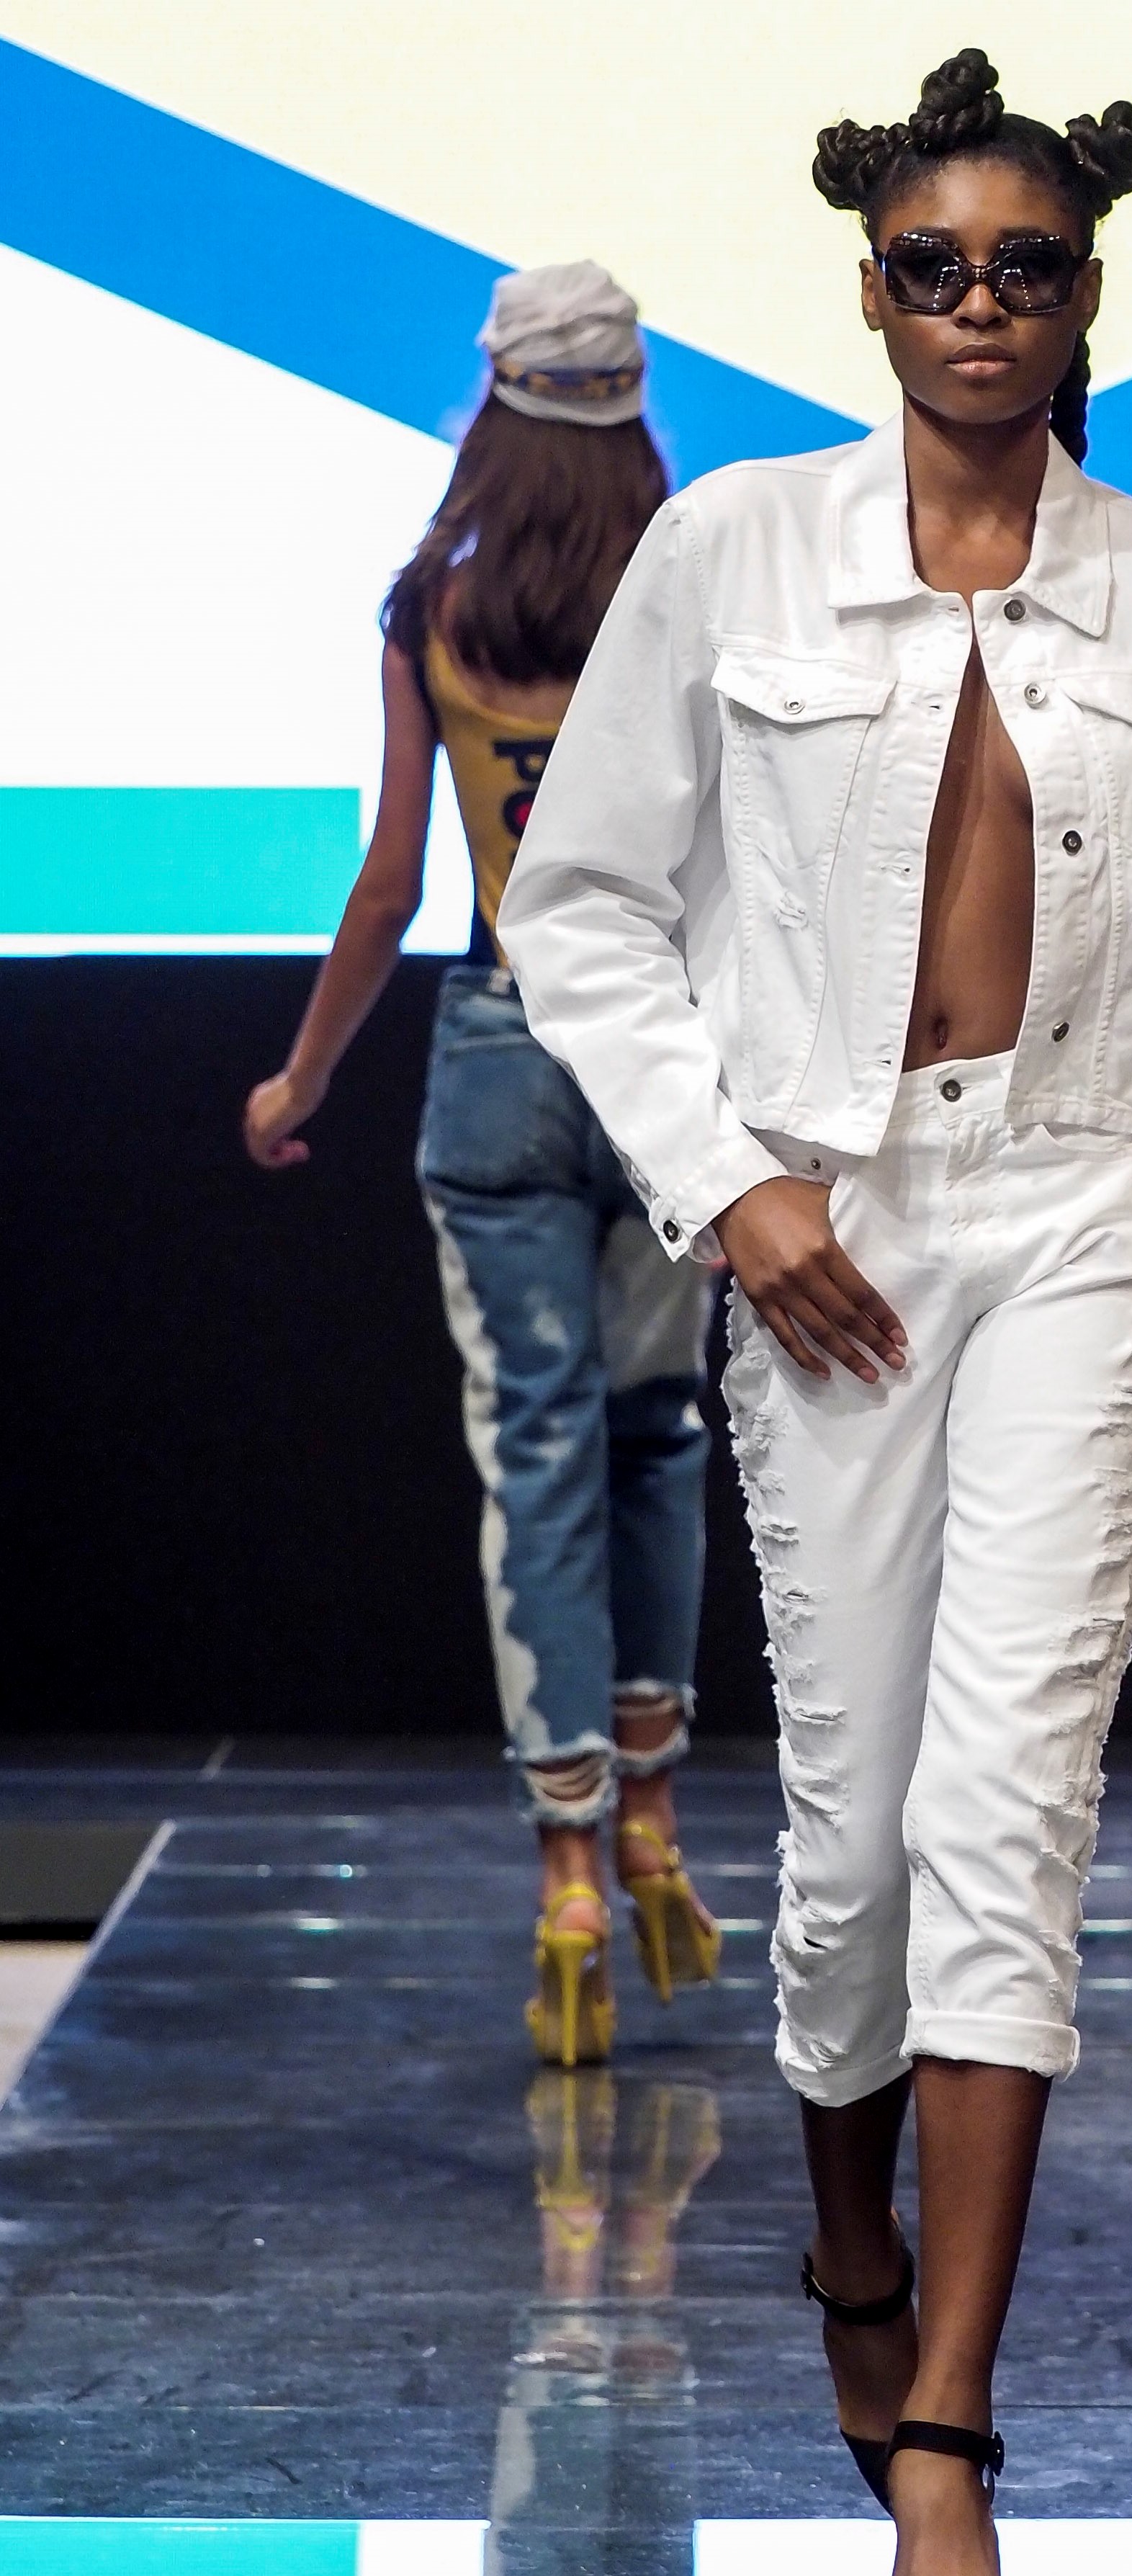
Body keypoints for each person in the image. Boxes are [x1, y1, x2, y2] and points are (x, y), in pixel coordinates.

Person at [496, 51, 1132, 2576]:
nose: (980, 305)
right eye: (935, 267)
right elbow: (581, 908)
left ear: (1083, 295)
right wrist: (734, 1184)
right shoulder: (732, 548)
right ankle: (844, 2243)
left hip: (1087, 1224)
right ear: (872, 292)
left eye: (1024, 266)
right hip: (829, 1232)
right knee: (858, 1842)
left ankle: (950, 2434)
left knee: (1010, 1814)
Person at [242, 263, 724, 2070]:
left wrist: (300, 1075)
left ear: (494, 398)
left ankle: (570, 1878)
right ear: (631, 399)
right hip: (672, 1064)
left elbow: (390, 881)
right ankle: (656, 1818)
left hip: (506, 1052)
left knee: (536, 1454)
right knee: (654, 1434)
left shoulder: (435, 607)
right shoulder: (692, 594)